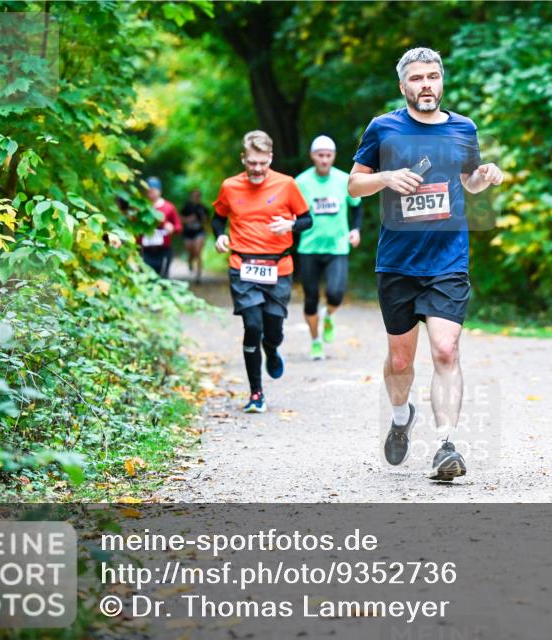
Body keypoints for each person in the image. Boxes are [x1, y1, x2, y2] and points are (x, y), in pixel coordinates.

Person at [348, 47, 503, 481]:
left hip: (448, 259)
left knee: (446, 350)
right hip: (398, 261)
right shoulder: (384, 128)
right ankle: (401, 417)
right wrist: (385, 178)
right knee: (401, 361)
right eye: (417, 78)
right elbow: (354, 185)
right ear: (403, 86)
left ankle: (445, 445)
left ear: (442, 81)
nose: (427, 85)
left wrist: (484, 175)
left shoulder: (462, 128)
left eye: (433, 76)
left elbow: (468, 182)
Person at [211, 130, 312, 413]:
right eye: (251, 163)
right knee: (252, 325)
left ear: (270, 158)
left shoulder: (287, 185)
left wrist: (291, 225)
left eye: (262, 163)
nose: (256, 169)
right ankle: (256, 393)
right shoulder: (230, 187)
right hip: (242, 266)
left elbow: (307, 220)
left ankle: (272, 348)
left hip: (278, 267)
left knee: (273, 329)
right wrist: (219, 236)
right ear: (243, 158)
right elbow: (218, 219)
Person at [295, 135, 364, 360]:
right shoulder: (301, 182)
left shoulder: (345, 180)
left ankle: (329, 316)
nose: (324, 160)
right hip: (309, 248)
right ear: (312, 156)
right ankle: (316, 341)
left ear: (333, 156)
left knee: (335, 293)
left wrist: (355, 230)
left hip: (337, 247)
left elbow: (357, 207)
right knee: (311, 298)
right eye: (320, 155)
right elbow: (291, 212)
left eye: (328, 155)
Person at [138, 176, 182, 278]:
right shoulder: (140, 207)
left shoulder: (168, 207)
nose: (152, 193)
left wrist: (172, 228)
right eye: (149, 190)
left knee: (162, 279)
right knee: (145, 278)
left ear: (160, 191)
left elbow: (179, 227)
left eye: (154, 190)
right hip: (145, 250)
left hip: (163, 250)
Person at [180, 189, 209, 283]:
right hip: (188, 233)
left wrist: (205, 220)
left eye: (198, 196)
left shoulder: (203, 208)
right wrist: (188, 219)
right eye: (194, 196)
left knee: (198, 252)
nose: (196, 197)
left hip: (199, 232)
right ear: (191, 196)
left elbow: (208, 221)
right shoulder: (186, 207)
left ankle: (198, 276)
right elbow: (179, 218)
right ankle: (190, 261)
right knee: (191, 251)